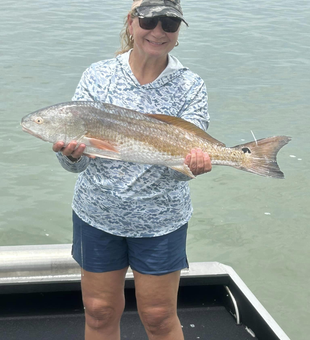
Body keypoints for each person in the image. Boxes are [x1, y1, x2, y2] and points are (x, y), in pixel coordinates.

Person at [53, 0, 212, 339]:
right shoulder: (98, 75)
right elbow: (77, 164)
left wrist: (190, 166)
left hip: (161, 221)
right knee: (98, 312)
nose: (158, 32)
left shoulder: (191, 86)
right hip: (96, 215)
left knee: (157, 317)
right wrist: (70, 155)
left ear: (179, 32)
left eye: (169, 24)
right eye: (149, 21)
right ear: (131, 23)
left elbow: (180, 164)